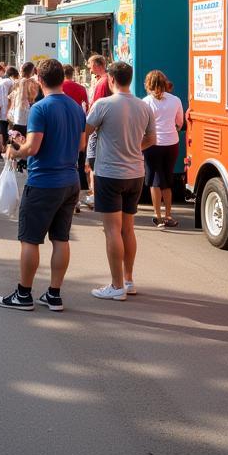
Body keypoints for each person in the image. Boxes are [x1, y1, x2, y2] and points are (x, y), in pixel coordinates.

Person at [0, 59, 86, 312]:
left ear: (40, 79)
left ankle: (24, 294)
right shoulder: (76, 108)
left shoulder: (40, 108)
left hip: (44, 181)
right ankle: (54, 294)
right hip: (70, 180)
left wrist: (15, 151)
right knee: (61, 239)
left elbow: (33, 148)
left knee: (30, 239)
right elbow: (80, 145)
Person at [85, 61, 155, 301]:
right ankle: (128, 279)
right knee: (128, 229)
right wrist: (135, 146)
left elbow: (87, 132)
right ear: (130, 79)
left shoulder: (103, 104)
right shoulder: (144, 106)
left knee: (112, 230)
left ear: (111, 80)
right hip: (135, 172)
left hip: (109, 173)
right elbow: (151, 139)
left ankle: (116, 286)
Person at [140, 70, 184, 227]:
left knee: (154, 180)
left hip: (152, 144)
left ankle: (157, 215)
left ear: (148, 84)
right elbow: (180, 122)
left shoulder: (145, 102)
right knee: (167, 179)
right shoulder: (176, 100)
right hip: (172, 143)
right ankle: (168, 215)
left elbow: (142, 125)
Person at [62, 64, 90, 213]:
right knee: (79, 163)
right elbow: (86, 107)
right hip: (78, 127)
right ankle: (77, 201)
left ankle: (66, 199)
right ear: (73, 73)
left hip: (63, 128)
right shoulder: (81, 88)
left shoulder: (60, 87)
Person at [84, 54, 110, 207]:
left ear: (98, 65)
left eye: (90, 65)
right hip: (101, 126)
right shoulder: (103, 80)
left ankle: (95, 194)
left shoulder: (103, 82)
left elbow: (97, 106)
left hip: (97, 127)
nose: (89, 68)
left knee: (93, 159)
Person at [0, 65, 16, 158]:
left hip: (1, 113)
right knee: (11, 131)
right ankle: (10, 150)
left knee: (2, 131)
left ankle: (3, 150)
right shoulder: (14, 82)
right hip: (13, 112)